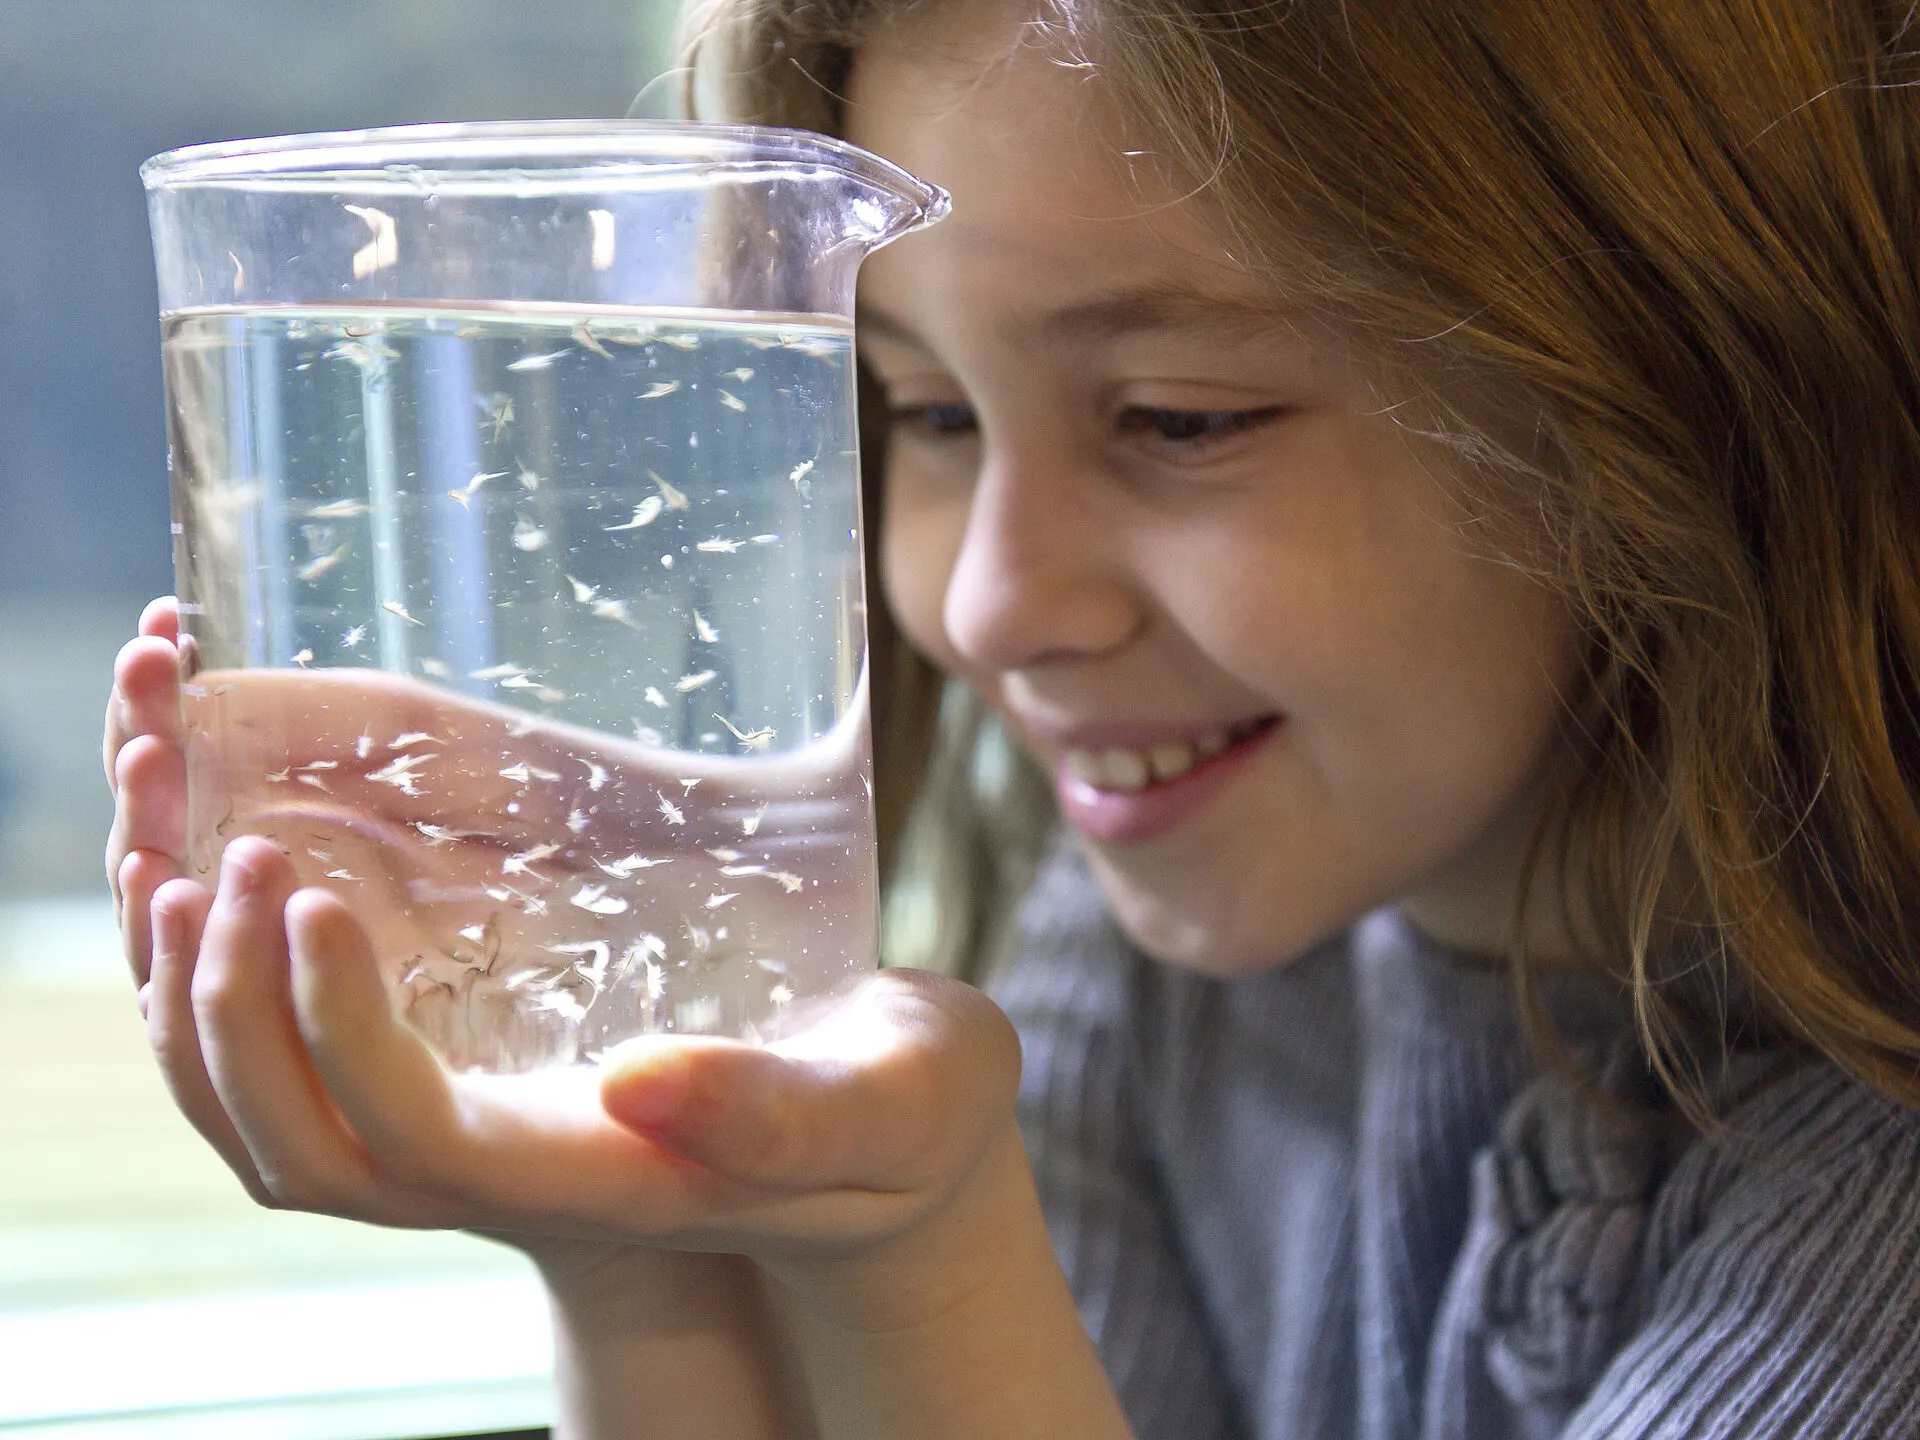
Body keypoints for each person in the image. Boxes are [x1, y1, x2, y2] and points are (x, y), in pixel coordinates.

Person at [104, 0, 1920, 1434]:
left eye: (1183, 419)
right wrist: (640, 1230)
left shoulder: (1877, 1216)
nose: (983, 604)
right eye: (927, 412)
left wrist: (923, 1257)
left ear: (1680, 369)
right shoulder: (1141, 952)